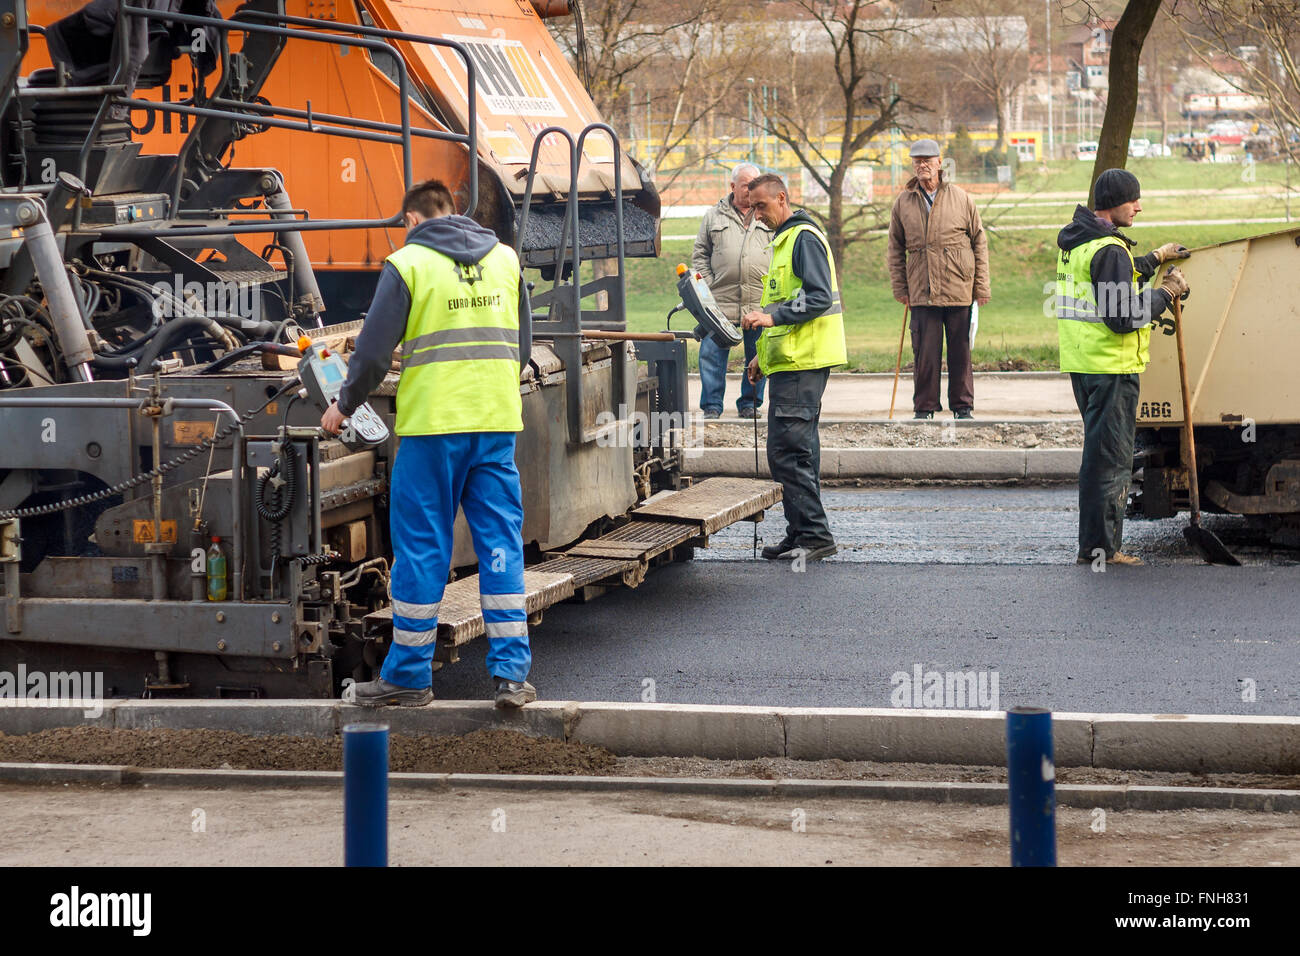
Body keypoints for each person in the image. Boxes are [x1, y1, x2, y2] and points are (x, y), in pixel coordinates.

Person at [321, 179, 536, 707]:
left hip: (433, 429)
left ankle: (410, 678)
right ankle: (512, 677)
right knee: (501, 547)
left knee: (423, 549)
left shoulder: (409, 263)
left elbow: (371, 355)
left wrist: (343, 405)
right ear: (454, 213)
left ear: (413, 221)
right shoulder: (506, 260)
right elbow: (523, 344)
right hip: (495, 422)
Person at [1055, 168, 1190, 567]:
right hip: (1111, 368)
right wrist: (1166, 292)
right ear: (1115, 204)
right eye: (1134, 199)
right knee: (1111, 461)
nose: (1139, 205)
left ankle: (1095, 546)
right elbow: (1121, 315)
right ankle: (1102, 551)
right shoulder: (1109, 249)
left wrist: (1153, 259)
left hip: (1084, 364)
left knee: (1098, 457)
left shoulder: (1079, 240)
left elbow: (1110, 281)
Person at [741, 173, 847, 562]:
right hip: (791, 364)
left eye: (761, 206)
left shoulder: (802, 238)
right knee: (796, 452)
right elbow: (786, 304)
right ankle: (801, 532)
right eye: (750, 207)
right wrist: (760, 359)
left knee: (788, 453)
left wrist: (771, 319)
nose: (755, 215)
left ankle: (815, 536)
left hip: (804, 364)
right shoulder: (786, 240)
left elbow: (816, 298)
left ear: (781, 198)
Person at [887, 138, 990, 420]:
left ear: (939, 163)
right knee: (924, 355)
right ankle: (925, 407)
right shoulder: (903, 202)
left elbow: (979, 242)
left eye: (927, 160)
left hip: (959, 288)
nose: (922, 165)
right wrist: (900, 288)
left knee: (961, 353)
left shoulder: (961, 197)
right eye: (917, 161)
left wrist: (981, 287)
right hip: (921, 290)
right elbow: (895, 248)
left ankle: (962, 407)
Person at [692, 163, 772, 419]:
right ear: (733, 186)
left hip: (758, 301)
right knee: (711, 356)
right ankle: (712, 407)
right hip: (720, 302)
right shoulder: (713, 216)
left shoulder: (766, 214)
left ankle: (750, 404)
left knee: (759, 355)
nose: (752, 190)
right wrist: (711, 284)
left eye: (756, 185)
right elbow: (700, 254)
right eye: (748, 185)